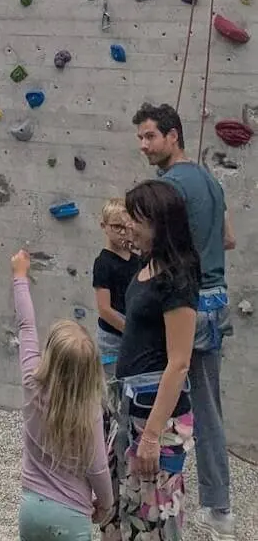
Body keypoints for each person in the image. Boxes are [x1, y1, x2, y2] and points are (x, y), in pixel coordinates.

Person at [134, 102, 235, 541]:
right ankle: (218, 507)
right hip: (214, 299)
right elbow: (227, 238)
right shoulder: (210, 180)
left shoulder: (171, 185)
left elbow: (169, 248)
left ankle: (162, 491)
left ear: (173, 135)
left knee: (159, 395)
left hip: (183, 302)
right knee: (205, 408)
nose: (143, 145)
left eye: (150, 136)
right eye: (140, 137)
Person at [108, 180, 200, 541]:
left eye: (137, 219)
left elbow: (179, 363)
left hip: (159, 418)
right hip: (131, 406)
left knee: (156, 514)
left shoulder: (177, 278)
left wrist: (151, 437)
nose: (129, 225)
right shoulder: (146, 265)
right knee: (128, 508)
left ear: (160, 225)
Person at [11, 248, 114, 540]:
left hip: (31, 508)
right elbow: (97, 467)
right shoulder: (89, 410)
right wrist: (105, 504)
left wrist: (20, 276)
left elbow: (26, 325)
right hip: (70, 517)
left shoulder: (32, 382)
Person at [93, 198, 139, 373]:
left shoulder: (137, 260)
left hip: (132, 331)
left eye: (127, 227)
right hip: (112, 338)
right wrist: (132, 332)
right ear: (103, 226)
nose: (122, 233)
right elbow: (104, 309)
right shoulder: (103, 263)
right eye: (116, 227)